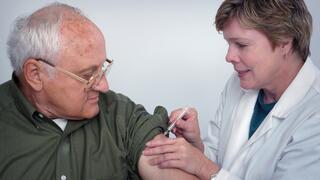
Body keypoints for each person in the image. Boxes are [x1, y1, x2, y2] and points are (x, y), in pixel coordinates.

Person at [0, 3, 198, 180]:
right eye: (87, 75)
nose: (104, 86)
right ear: (35, 74)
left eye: (102, 68)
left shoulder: (120, 113)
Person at [143, 0, 320, 179]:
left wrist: (202, 166)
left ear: (284, 42)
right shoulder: (239, 83)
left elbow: (210, 170)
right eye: (229, 44)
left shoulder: (315, 117)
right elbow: (221, 165)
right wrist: (196, 146)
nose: (229, 57)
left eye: (241, 45)